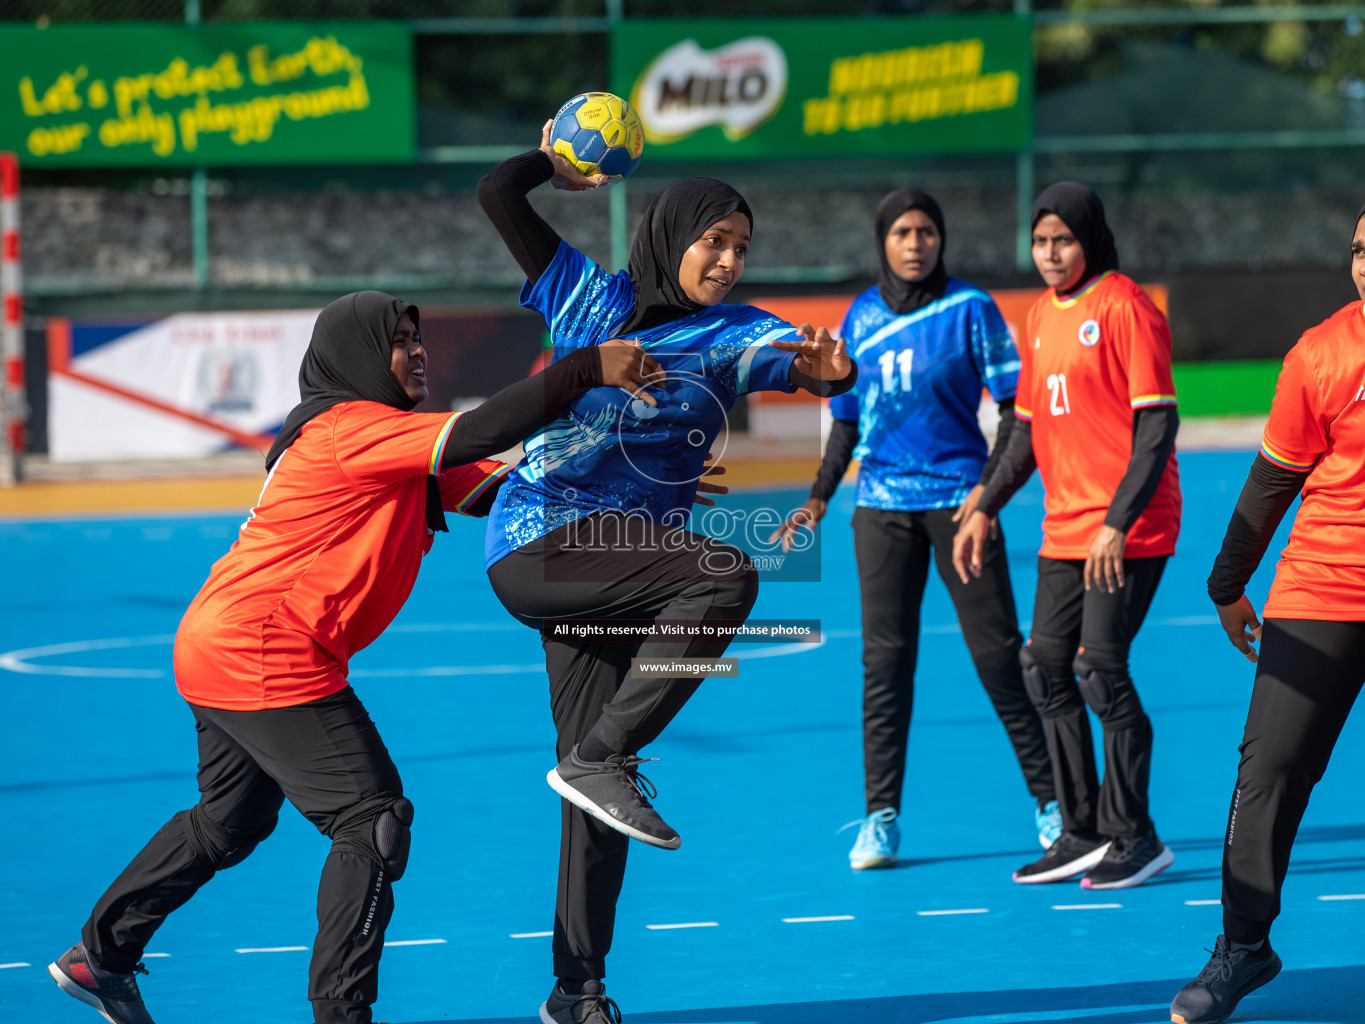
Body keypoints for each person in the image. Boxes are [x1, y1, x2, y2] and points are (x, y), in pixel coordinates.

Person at [47, 291, 662, 1024]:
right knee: (371, 817)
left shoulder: (392, 441)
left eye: (418, 338)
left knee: (229, 822)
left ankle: (100, 956)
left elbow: (515, 494)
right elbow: (479, 431)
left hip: (223, 642)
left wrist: (642, 488)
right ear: (358, 356)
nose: (418, 351)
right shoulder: (348, 428)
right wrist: (584, 368)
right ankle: (341, 1013)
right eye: (401, 341)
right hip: (263, 647)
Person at [476, 125, 855, 1024]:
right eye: (712, 241)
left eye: (740, 248)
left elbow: (798, 365)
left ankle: (578, 989)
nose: (725, 260)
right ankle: (604, 757)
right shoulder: (582, 295)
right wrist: (554, 166)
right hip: (540, 542)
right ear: (667, 234)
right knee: (726, 577)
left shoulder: (737, 333)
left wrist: (831, 375)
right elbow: (498, 193)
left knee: (592, 792)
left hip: (623, 572)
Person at [768, 188, 1057, 870]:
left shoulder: (970, 310)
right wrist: (816, 496)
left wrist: (985, 497)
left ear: (940, 239)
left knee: (997, 658)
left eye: (926, 230)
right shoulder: (861, 316)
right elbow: (845, 420)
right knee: (884, 666)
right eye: (902, 231)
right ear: (883, 240)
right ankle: (880, 818)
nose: (915, 242)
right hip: (879, 509)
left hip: (959, 508)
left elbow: (1016, 413)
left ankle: (1054, 806)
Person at [952, 182, 1182, 890]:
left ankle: (1134, 835)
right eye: (1041, 241)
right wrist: (985, 503)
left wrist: (1117, 521)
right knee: (1044, 667)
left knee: (1099, 671)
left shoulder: (1123, 304)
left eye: (1064, 240)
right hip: (1063, 529)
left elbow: (1156, 425)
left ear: (1089, 239)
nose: (1051, 254)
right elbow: (1023, 429)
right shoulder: (1039, 315)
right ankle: (1080, 831)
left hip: (1129, 528)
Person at [1169, 206, 1365, 1024]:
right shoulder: (1321, 353)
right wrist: (1225, 584)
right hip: (1320, 591)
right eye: (1359, 248)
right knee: (1268, 773)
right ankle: (1242, 947)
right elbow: (1269, 484)